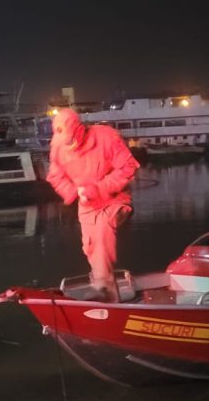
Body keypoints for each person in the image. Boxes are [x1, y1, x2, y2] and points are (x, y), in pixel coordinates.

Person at [46, 108, 140, 300]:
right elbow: (55, 177)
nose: (67, 145)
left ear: (80, 130)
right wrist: (73, 191)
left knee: (102, 236)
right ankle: (108, 296)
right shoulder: (57, 147)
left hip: (115, 200)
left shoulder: (106, 137)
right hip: (87, 206)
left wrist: (98, 188)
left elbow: (128, 167)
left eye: (70, 140)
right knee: (91, 249)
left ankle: (103, 289)